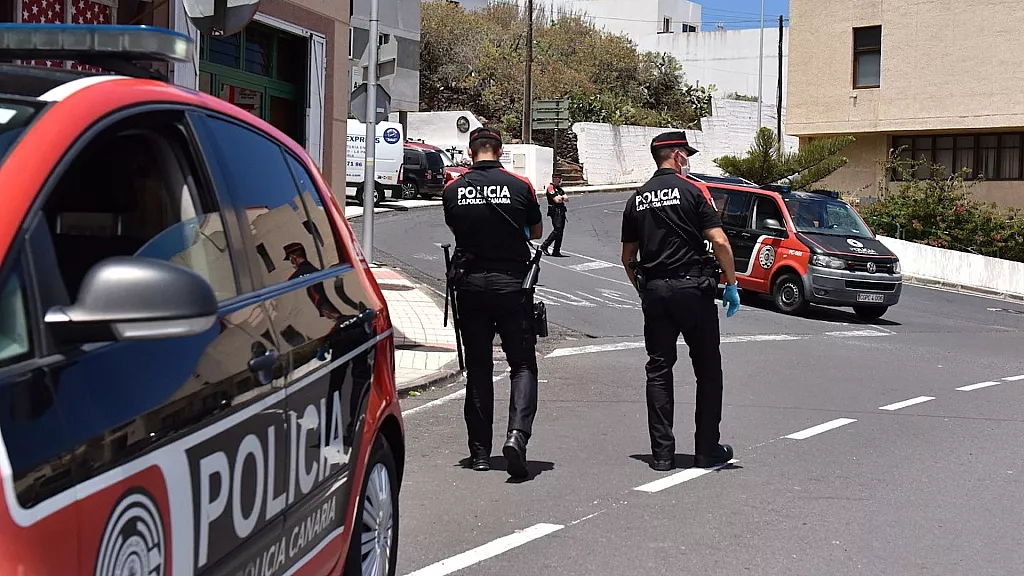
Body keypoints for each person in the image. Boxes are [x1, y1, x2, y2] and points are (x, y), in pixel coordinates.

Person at [619, 131, 743, 473]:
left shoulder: (637, 199)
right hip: (693, 290)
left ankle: (661, 454)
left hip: (656, 291)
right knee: (707, 370)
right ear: (675, 155)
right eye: (685, 154)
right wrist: (731, 283)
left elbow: (628, 256)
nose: (687, 160)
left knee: (659, 370)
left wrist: (643, 290)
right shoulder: (693, 191)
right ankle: (706, 450)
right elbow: (719, 240)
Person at [441, 126, 544, 480]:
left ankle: (480, 453)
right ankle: (516, 436)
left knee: (479, 369)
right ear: (500, 151)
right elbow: (536, 232)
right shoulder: (520, 186)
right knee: (522, 365)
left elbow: (456, 229)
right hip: (512, 286)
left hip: (470, 286)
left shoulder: (453, 190)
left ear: (471, 152)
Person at [540, 172, 568, 257]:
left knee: (560, 231)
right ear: (556, 178)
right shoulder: (550, 188)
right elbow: (557, 200)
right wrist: (561, 198)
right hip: (555, 211)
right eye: (559, 178)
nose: (560, 180)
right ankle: (545, 245)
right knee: (557, 230)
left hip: (561, 210)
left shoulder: (559, 189)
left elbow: (566, 198)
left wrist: (561, 198)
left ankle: (556, 250)